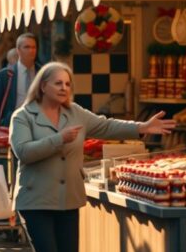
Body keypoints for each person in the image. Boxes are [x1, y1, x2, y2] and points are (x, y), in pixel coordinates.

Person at [10, 62, 175, 252]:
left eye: (67, 84)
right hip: (36, 201)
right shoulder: (23, 116)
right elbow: (23, 152)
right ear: (42, 86)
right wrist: (59, 139)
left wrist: (141, 127)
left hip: (69, 199)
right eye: (58, 83)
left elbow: (106, 126)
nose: (64, 88)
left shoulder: (75, 112)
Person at [0, 33, 42, 128]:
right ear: (18, 50)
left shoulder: (43, 73)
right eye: (27, 47)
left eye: (34, 47)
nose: (31, 50)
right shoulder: (4, 75)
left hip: (38, 124)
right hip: (12, 125)